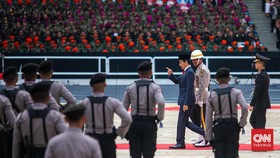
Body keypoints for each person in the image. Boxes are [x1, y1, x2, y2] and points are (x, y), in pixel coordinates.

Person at [82, 73, 131, 158]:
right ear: (105, 85)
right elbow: (127, 119)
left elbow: (77, 120)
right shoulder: (112, 102)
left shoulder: (85, 102)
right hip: (107, 140)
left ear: (91, 86)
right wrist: (118, 132)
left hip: (89, 139)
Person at [12, 82, 67, 158]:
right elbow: (65, 137)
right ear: (48, 97)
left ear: (31, 97)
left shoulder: (21, 117)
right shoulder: (55, 116)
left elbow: (16, 144)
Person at [123, 61, 165, 158]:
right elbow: (161, 102)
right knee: (149, 153)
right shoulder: (155, 87)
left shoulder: (130, 87)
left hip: (134, 123)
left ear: (139, 73)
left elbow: (124, 108)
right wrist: (159, 117)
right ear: (151, 72)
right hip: (149, 123)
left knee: (135, 153)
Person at [205, 67, 248, 158]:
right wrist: (241, 124)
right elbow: (244, 107)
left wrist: (209, 137)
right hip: (232, 126)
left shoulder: (212, 94)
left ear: (216, 79)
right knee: (233, 153)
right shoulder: (236, 92)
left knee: (219, 154)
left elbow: (208, 117)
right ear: (229, 78)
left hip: (218, 126)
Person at [167, 54, 205, 149]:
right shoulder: (186, 72)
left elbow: (189, 89)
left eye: (180, 62)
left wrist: (186, 103)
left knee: (182, 122)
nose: (179, 64)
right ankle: (206, 134)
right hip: (184, 101)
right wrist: (171, 75)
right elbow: (177, 81)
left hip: (186, 101)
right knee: (184, 122)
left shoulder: (189, 73)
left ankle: (181, 142)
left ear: (186, 62)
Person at [190, 50, 211, 147]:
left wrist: (200, 99)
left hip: (203, 98)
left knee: (204, 119)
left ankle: (206, 139)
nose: (194, 61)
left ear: (200, 59)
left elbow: (203, 86)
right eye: (193, 60)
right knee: (194, 116)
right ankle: (201, 134)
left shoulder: (202, 70)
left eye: (195, 59)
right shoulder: (199, 69)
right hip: (198, 98)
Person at [249, 53, 271, 129]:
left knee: (259, 123)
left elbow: (257, 92)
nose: (255, 64)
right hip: (260, 103)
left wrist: (252, 104)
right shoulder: (262, 74)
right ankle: (259, 134)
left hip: (260, 103)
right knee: (253, 120)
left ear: (260, 64)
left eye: (256, 63)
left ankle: (260, 136)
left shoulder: (261, 76)